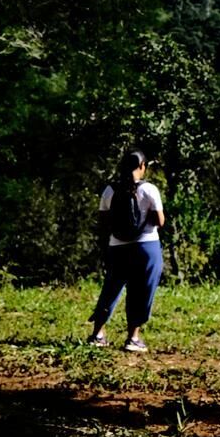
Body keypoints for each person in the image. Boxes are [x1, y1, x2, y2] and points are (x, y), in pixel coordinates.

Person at [87, 148, 165, 352]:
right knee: (141, 291)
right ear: (142, 166)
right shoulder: (149, 190)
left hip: (118, 246)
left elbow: (103, 221)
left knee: (112, 288)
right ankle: (133, 338)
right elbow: (160, 221)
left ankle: (98, 334)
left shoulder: (110, 190)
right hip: (147, 245)